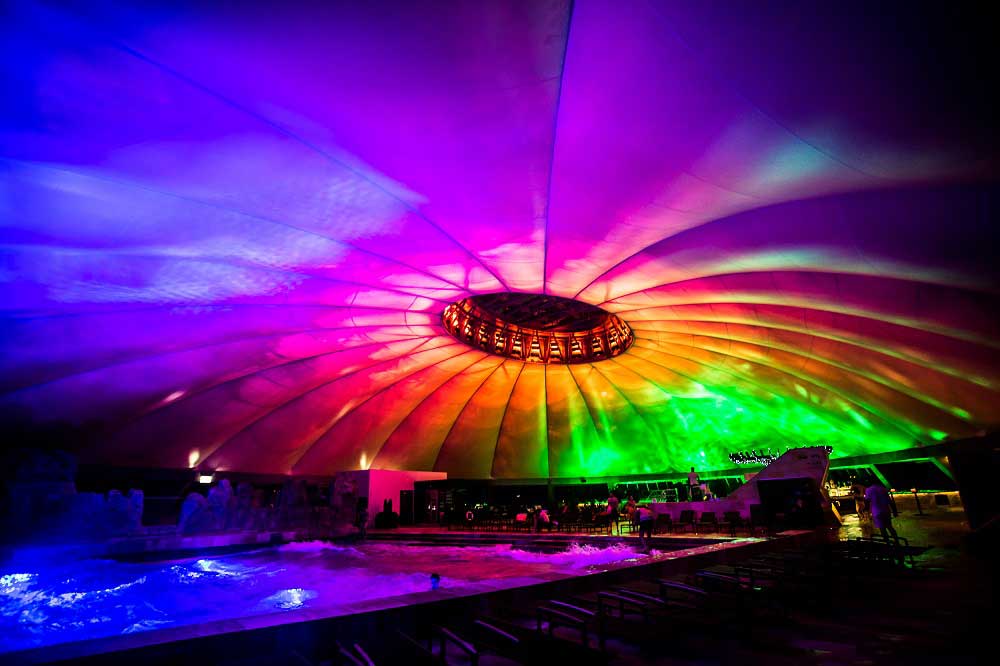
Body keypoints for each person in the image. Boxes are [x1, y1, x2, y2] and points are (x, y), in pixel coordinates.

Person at [865, 481, 900, 554]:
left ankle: (887, 543)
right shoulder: (883, 489)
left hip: (876, 511)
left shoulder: (868, 489)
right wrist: (895, 511)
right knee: (890, 527)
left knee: (882, 529)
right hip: (886, 510)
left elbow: (867, 501)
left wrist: (867, 512)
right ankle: (897, 542)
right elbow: (890, 501)